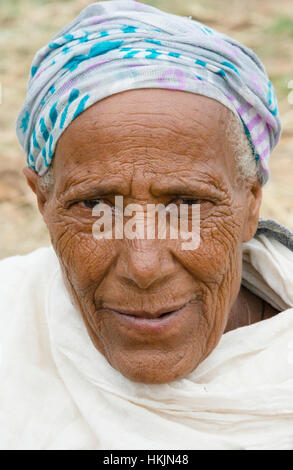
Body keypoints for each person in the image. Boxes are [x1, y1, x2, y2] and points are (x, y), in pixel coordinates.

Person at [1, 0, 293, 450]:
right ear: (42, 200)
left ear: (251, 202)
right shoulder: (11, 322)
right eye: (95, 204)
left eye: (187, 202)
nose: (143, 266)